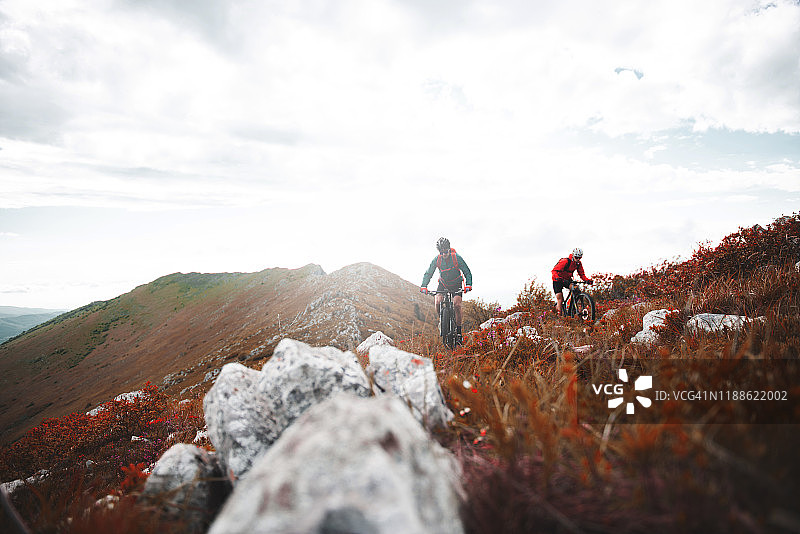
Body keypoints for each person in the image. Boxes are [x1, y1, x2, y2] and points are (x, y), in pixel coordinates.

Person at [420, 237, 473, 343]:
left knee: (457, 305)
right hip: (443, 283)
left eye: (446, 251)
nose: (444, 254)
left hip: (456, 283)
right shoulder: (437, 259)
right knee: (438, 301)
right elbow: (429, 273)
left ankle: (458, 332)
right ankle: (442, 321)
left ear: (449, 249)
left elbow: (467, 272)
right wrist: (424, 286)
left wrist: (468, 284)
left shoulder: (457, 258)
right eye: (441, 252)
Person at [552, 247, 593, 316]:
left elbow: (581, 274)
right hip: (558, 280)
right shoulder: (565, 261)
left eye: (579, 258)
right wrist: (557, 277)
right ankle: (558, 316)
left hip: (567, 279)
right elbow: (554, 271)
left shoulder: (578, 264)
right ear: (573, 255)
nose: (578, 259)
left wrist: (587, 280)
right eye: (576, 257)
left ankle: (572, 309)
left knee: (576, 289)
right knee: (560, 298)